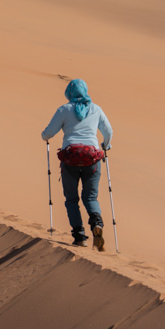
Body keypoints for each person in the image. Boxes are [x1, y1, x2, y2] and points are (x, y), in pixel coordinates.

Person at [41, 79, 113, 250]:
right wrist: (105, 145)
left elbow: (48, 134)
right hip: (92, 160)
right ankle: (97, 223)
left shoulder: (64, 110)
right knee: (90, 197)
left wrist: (45, 136)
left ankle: (80, 237)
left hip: (70, 160)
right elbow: (108, 131)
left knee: (72, 199)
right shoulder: (96, 109)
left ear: (69, 93)